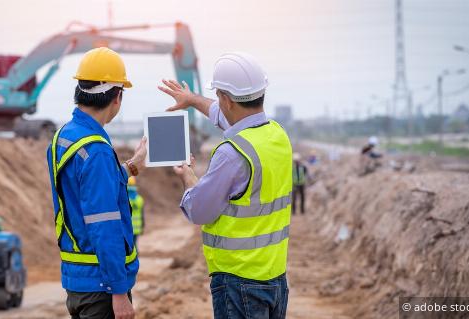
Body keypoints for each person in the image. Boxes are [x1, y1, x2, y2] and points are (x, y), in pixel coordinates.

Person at [159, 52, 291, 319]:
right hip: (275, 278)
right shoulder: (278, 136)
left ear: (227, 99)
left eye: (219, 96)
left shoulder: (232, 153)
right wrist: (193, 100)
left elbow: (199, 211)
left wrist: (188, 177)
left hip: (239, 282)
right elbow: (226, 116)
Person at [47, 47, 148, 319]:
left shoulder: (63, 137)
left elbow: (84, 191)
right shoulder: (97, 149)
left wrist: (131, 166)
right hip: (102, 288)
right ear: (118, 97)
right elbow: (104, 223)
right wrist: (119, 292)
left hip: (77, 280)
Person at [127, 176, 145, 247]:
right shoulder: (140, 199)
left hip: (127, 227)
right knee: (134, 245)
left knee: (128, 247)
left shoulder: (125, 199)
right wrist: (142, 226)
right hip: (137, 228)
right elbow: (142, 215)